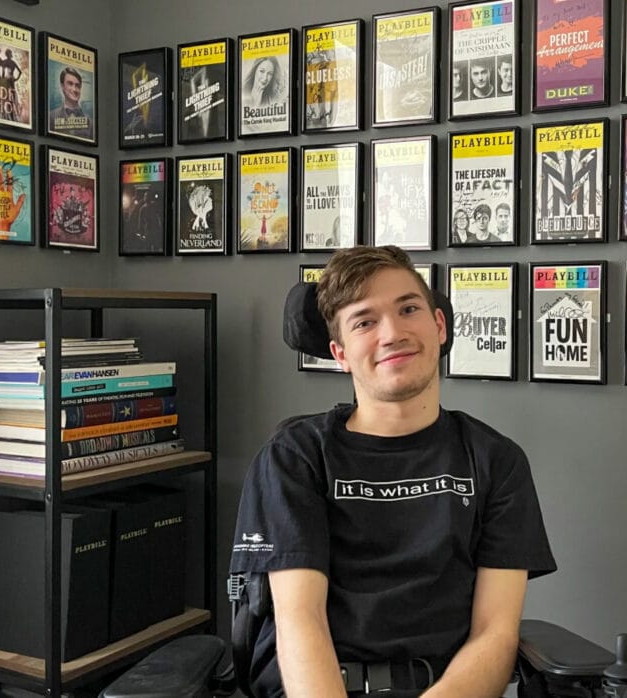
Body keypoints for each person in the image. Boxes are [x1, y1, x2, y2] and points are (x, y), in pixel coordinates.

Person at [231, 245, 556, 697]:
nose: (393, 333)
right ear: (340, 353)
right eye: (365, 321)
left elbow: (495, 634)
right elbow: (300, 622)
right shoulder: (296, 457)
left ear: (439, 326)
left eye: (408, 309)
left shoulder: (495, 460)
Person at [48, 66, 93, 140]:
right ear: (62, 86)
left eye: (77, 86)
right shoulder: (51, 117)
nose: (74, 89)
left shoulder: (91, 123)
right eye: (70, 84)